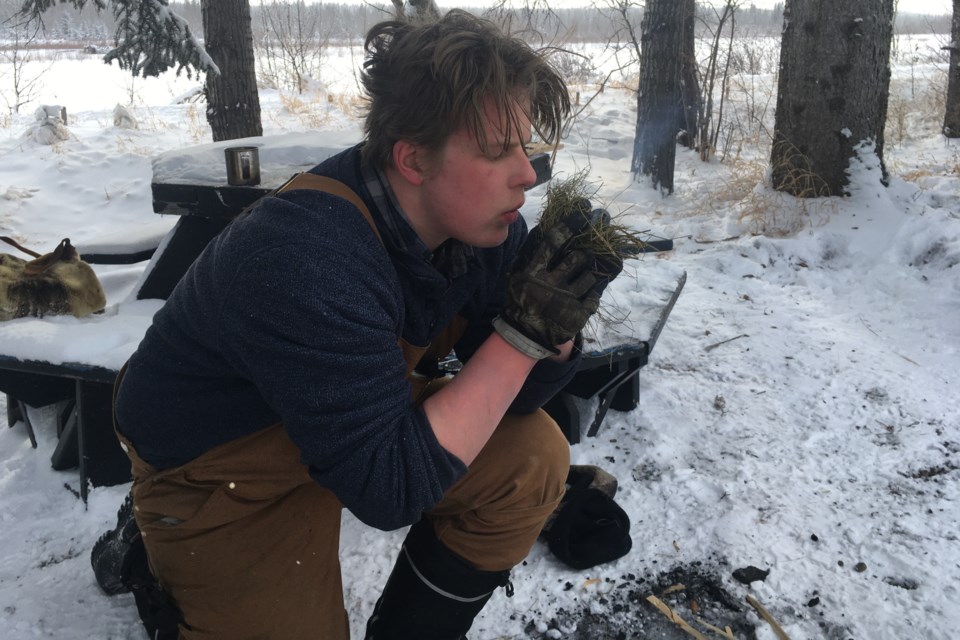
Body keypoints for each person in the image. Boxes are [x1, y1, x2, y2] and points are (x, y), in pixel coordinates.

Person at [112, 9, 621, 639]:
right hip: (219, 460)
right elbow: (388, 492)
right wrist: (522, 340)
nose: (527, 173)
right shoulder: (306, 258)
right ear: (412, 159)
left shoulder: (484, 227)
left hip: (351, 409)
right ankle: (159, 551)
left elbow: (517, 401)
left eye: (526, 145)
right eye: (498, 151)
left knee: (535, 457)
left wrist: (554, 332)